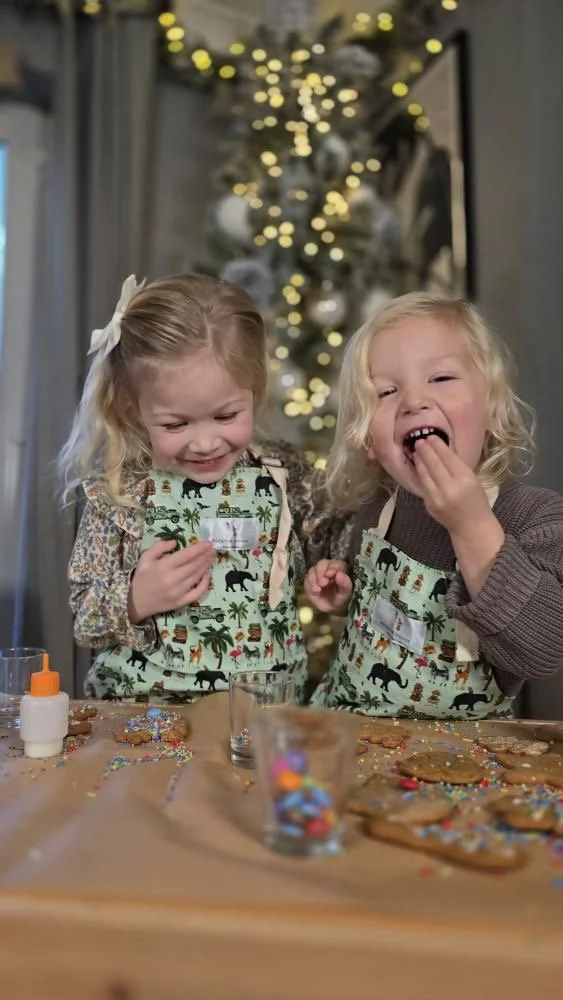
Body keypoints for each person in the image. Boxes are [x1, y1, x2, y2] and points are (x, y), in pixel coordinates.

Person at [305, 292, 563, 720]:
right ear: (368, 439)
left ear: (492, 410)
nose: (413, 401)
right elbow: (379, 625)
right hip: (352, 734)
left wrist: (472, 525)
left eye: (441, 378)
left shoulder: (533, 517)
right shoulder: (375, 512)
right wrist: (343, 596)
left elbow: (544, 649)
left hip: (465, 752)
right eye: (387, 391)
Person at [60, 273, 314, 703]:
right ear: (134, 411)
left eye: (226, 416)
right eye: (176, 424)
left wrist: (330, 575)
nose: (205, 443)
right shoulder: (118, 495)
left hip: (263, 710)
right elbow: (84, 618)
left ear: (254, 392)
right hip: (143, 711)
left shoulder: (283, 475)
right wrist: (136, 598)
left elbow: (319, 551)